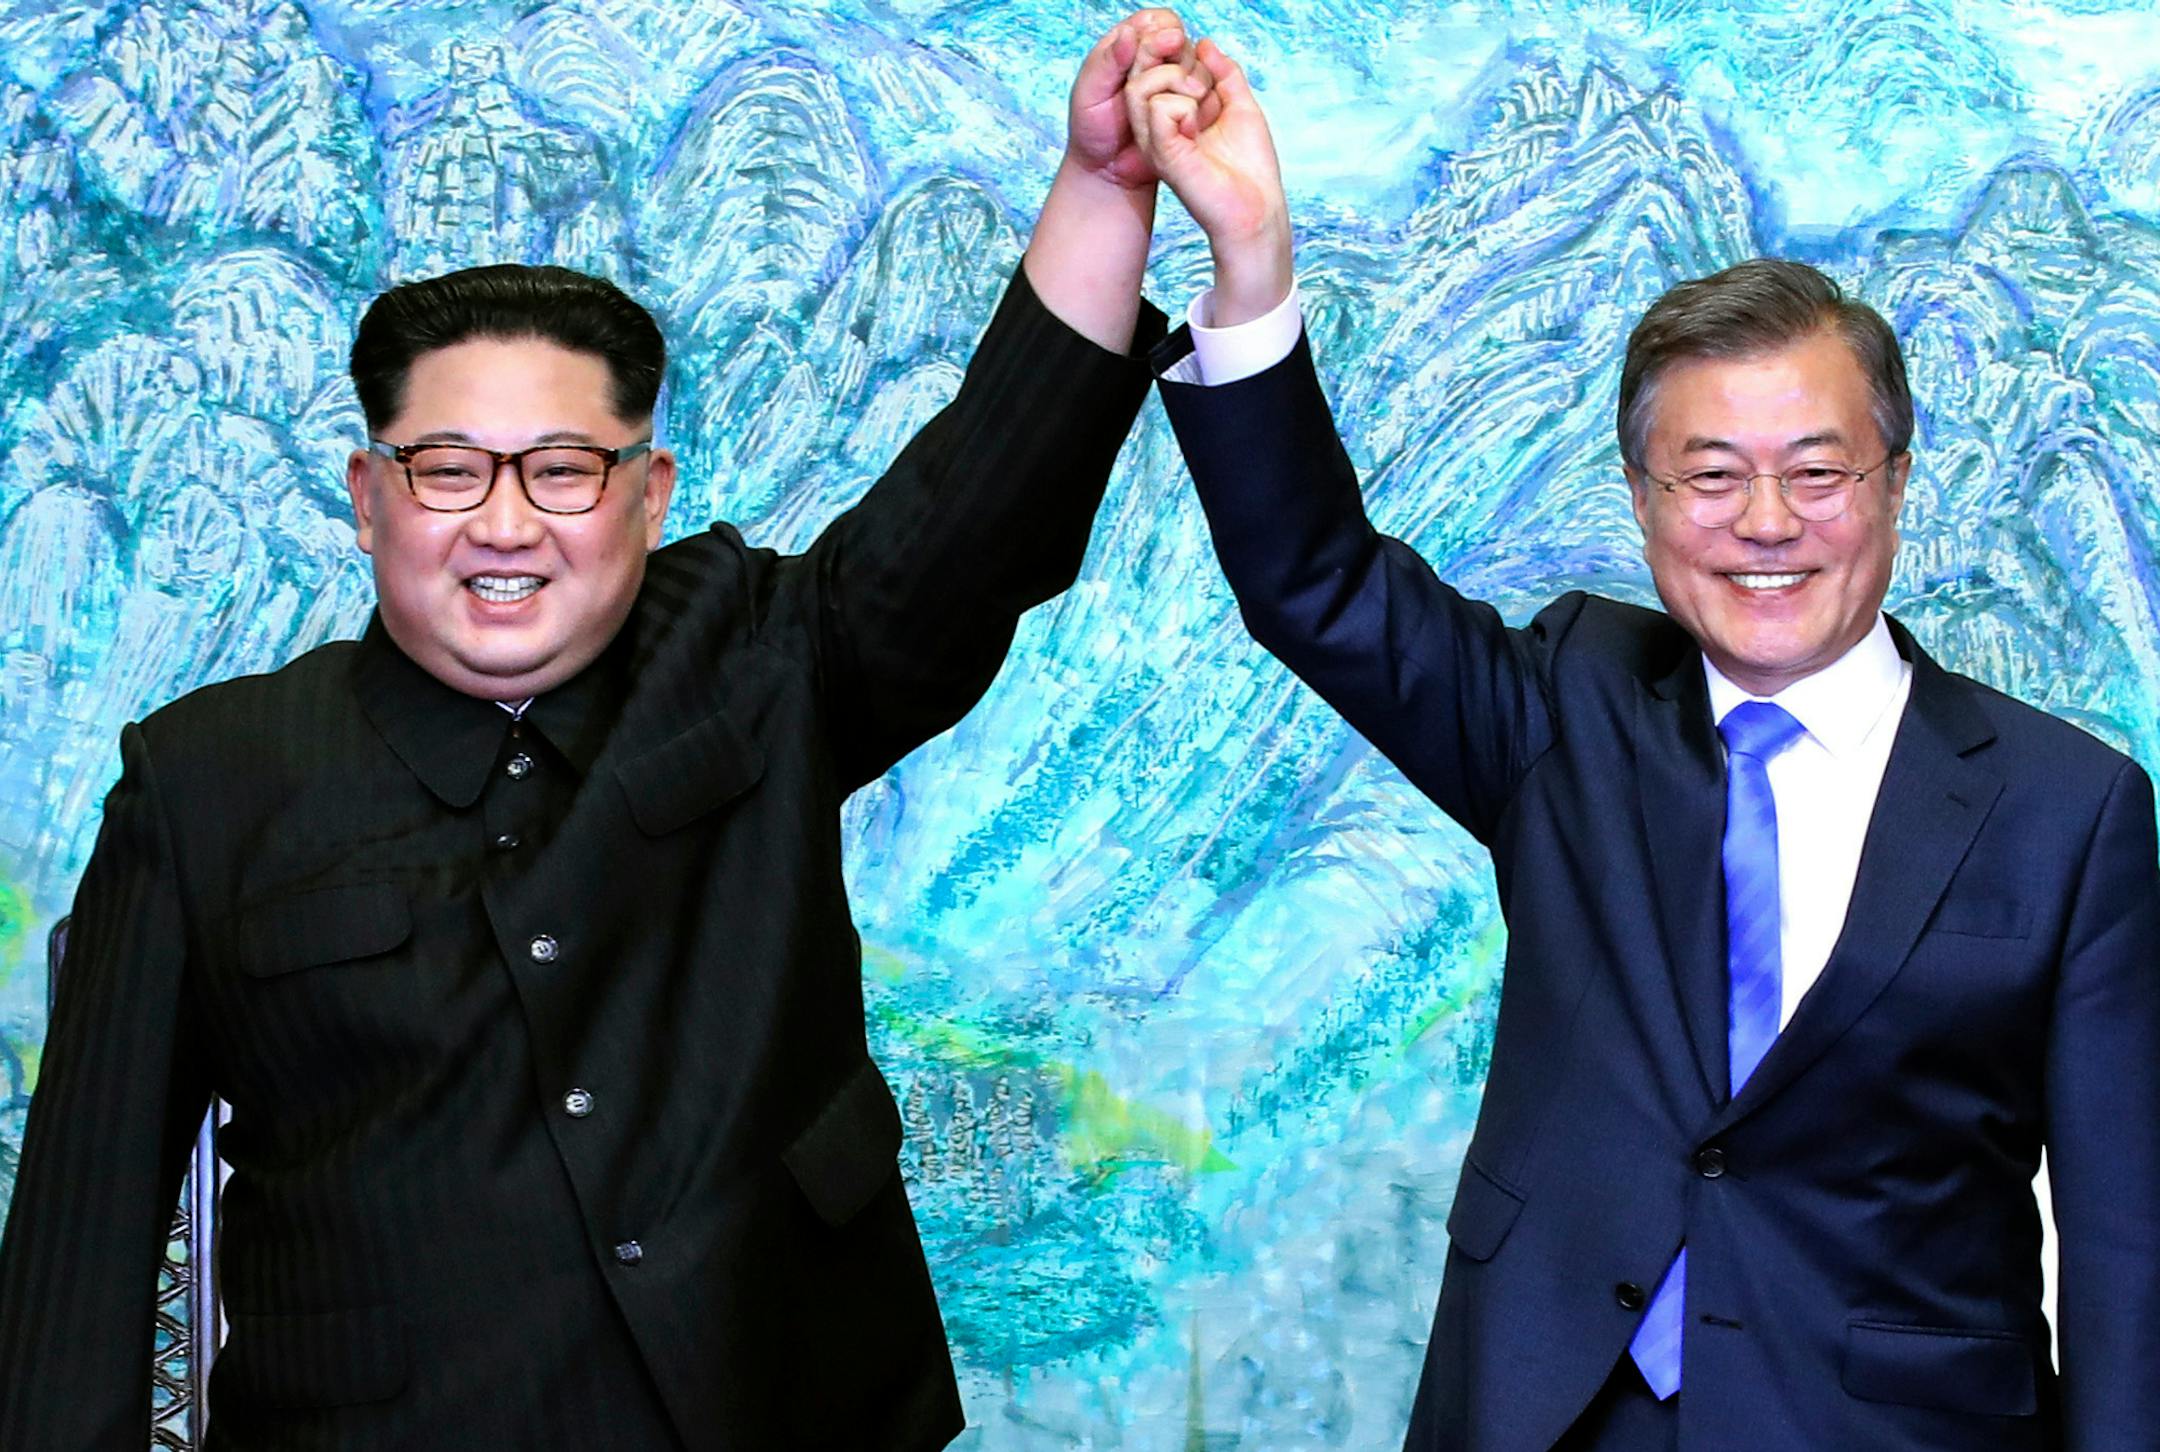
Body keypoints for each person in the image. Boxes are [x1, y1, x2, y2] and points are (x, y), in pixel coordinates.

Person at [0, 14, 1221, 1449]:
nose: (505, 525)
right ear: (367, 496)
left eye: (566, 471)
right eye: (447, 470)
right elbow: (77, 1274)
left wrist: (1105, 187)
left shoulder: (758, 656)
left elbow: (985, 505)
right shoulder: (205, 783)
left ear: (648, 496)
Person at [1123, 31, 2160, 1452]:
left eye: (1817, 471)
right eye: (1712, 476)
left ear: (1897, 482)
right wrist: (1248, 261)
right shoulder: (1572, 706)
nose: (1768, 524)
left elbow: (2123, 1245)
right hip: (1555, 1413)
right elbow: (1318, 584)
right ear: (1643, 500)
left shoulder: (2069, 807)